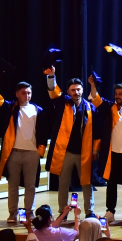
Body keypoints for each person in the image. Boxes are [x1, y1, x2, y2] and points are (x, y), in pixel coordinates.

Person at [0, 74, 45, 225]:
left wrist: (40, 150)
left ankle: (29, 212)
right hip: (13, 152)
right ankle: (12, 213)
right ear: (17, 94)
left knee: (30, 185)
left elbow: (43, 131)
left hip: (31, 153)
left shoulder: (37, 110)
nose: (27, 95)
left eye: (29, 93)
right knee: (12, 185)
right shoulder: (11, 108)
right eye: (23, 92)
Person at [89, 76, 122, 224]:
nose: (117, 96)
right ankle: (110, 212)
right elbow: (96, 99)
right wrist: (93, 85)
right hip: (113, 153)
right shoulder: (110, 108)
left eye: (120, 93)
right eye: (116, 93)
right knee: (111, 183)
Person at [43, 72, 97, 211]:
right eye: (73, 90)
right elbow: (53, 91)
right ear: (68, 91)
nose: (76, 92)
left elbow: (97, 131)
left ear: (82, 90)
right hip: (66, 152)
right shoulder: (63, 103)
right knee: (63, 184)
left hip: (84, 152)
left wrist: (95, 149)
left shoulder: (90, 107)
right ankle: (63, 211)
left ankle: (89, 211)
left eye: (78, 89)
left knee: (87, 183)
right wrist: (51, 77)